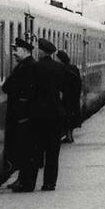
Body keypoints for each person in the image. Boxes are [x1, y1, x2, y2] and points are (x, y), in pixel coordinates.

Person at [2, 36, 40, 190]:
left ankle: (26, 182)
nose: (14, 53)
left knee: (26, 150)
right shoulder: (27, 65)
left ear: (25, 50)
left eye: (16, 50)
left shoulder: (28, 67)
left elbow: (9, 87)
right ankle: (22, 179)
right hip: (23, 115)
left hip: (24, 116)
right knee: (23, 149)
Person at [32, 38, 67, 191]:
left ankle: (30, 182)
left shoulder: (36, 68)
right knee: (53, 152)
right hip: (55, 115)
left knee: (36, 149)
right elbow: (65, 90)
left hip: (38, 115)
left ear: (41, 51)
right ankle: (49, 183)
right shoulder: (60, 68)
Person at [56, 49, 82, 142]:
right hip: (74, 97)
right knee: (71, 117)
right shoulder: (74, 68)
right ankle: (70, 135)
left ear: (60, 59)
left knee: (65, 117)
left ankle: (68, 136)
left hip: (65, 98)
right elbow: (79, 83)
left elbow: (60, 84)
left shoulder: (61, 69)